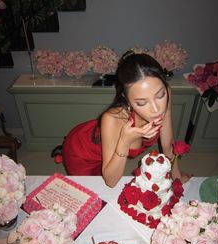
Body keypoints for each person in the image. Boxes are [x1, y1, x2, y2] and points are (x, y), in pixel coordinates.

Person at [60, 51, 191, 187]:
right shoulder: (112, 119)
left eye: (160, 95)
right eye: (141, 103)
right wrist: (124, 141)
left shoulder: (166, 92)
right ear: (126, 98)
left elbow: (168, 145)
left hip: (104, 144)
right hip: (82, 152)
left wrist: (177, 178)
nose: (156, 109)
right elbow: (111, 182)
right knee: (93, 193)